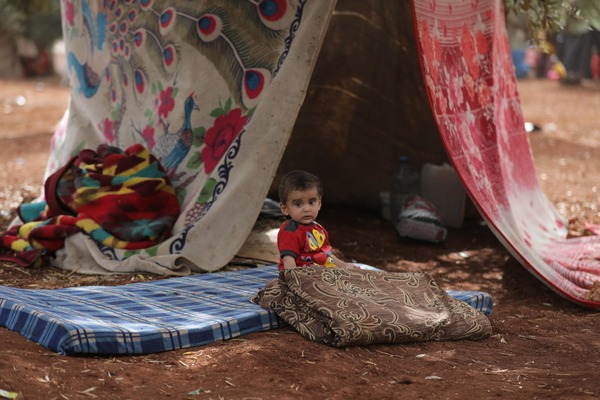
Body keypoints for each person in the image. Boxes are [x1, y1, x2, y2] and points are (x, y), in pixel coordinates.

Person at [277, 170, 356, 271]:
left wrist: (343, 265)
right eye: (298, 204)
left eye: (311, 202)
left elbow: (327, 254)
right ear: (285, 208)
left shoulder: (318, 228)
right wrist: (294, 280)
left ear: (319, 203)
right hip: (300, 274)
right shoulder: (290, 231)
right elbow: (288, 259)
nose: (306, 209)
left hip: (321, 272)